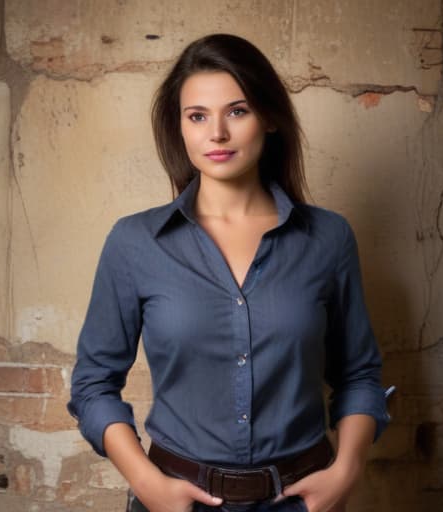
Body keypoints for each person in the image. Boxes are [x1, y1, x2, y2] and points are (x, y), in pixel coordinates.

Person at [67, 34, 389, 512]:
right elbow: (93, 383)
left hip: (301, 499)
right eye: (197, 116)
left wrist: (346, 471)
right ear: (179, 127)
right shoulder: (134, 244)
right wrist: (147, 483)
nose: (216, 133)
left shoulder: (327, 239)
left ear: (271, 118)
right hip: (176, 498)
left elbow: (359, 374)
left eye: (237, 111)